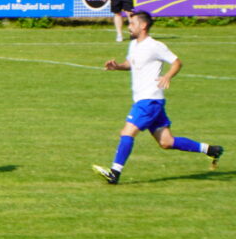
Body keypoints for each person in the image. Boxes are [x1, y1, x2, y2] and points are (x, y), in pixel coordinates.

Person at [93, 11, 223, 184]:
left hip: (149, 100)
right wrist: (118, 66)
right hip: (149, 101)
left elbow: (177, 62)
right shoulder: (133, 45)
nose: (129, 27)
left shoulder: (155, 46)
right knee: (166, 142)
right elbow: (131, 64)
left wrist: (167, 76)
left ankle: (114, 173)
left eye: (132, 24)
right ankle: (210, 149)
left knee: (127, 132)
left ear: (143, 26)